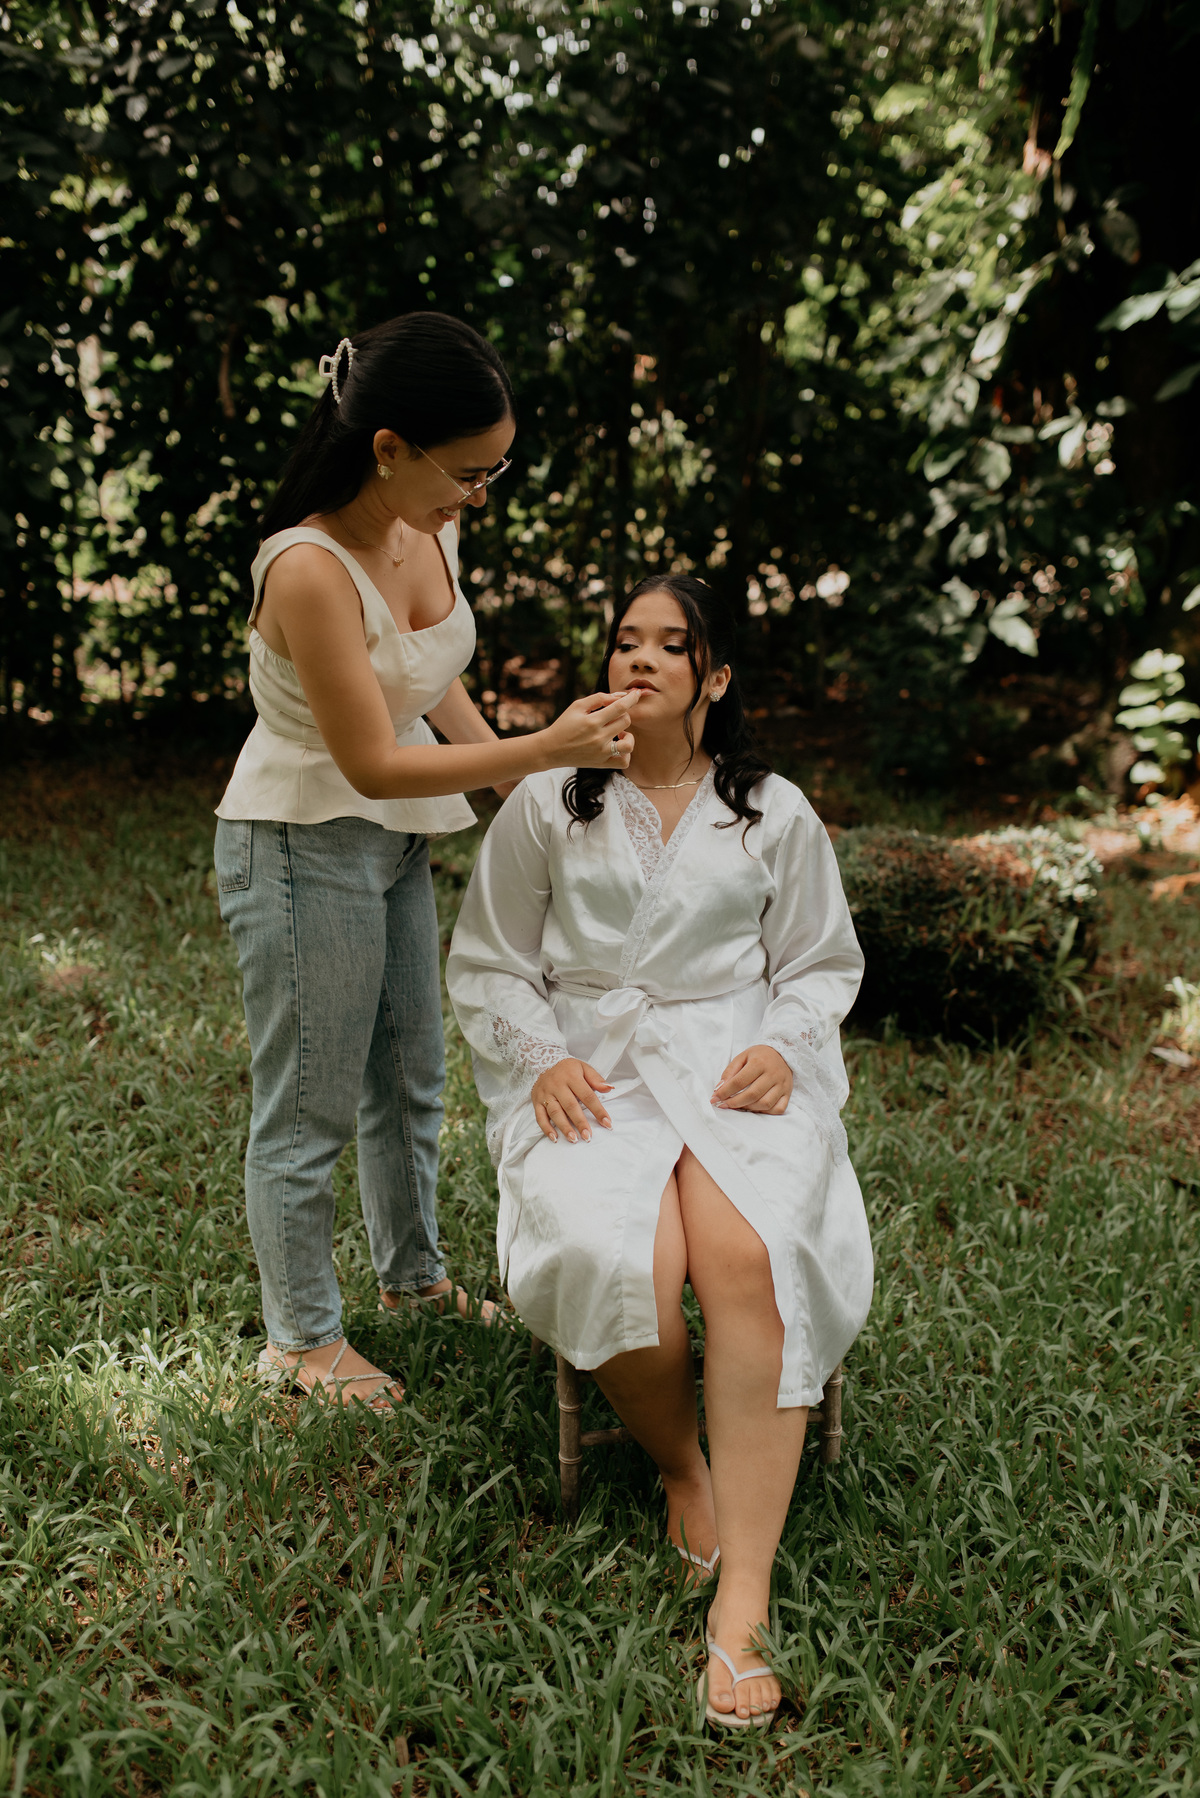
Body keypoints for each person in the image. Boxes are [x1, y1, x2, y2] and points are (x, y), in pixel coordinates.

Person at [446, 573, 873, 1728]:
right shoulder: (550, 801)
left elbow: (819, 963)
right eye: (625, 641)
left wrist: (784, 1045)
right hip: (595, 1066)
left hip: (733, 1061)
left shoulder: (771, 809)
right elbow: (491, 959)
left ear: (713, 676)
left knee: (752, 1253)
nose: (640, 659)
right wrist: (541, 1057)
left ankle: (744, 1602)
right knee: (617, 1256)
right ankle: (686, 1464)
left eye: (670, 645)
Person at [214, 312, 641, 1415]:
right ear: (388, 447)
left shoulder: (425, 522)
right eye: (469, 472)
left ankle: (414, 1279)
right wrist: (542, 747)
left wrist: (524, 799)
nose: (480, 497)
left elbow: (427, 680)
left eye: (494, 470)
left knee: (410, 1076)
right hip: (301, 843)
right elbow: (366, 757)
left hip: (398, 838)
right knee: (308, 1104)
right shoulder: (307, 569)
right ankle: (300, 1340)